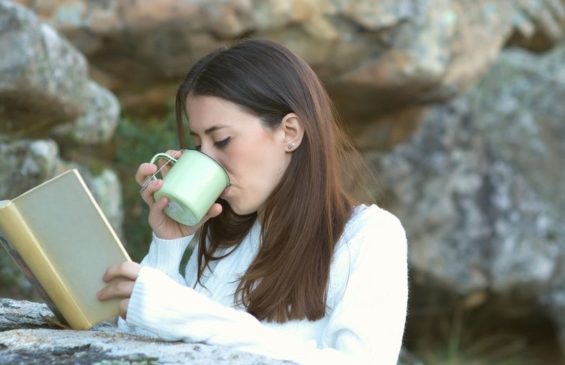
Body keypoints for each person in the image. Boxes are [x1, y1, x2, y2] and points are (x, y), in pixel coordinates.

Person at [95, 39, 409, 364]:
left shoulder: (369, 235)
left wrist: (191, 316)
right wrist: (168, 245)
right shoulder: (223, 243)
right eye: (199, 145)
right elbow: (146, 350)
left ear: (290, 133)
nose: (208, 160)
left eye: (222, 140)